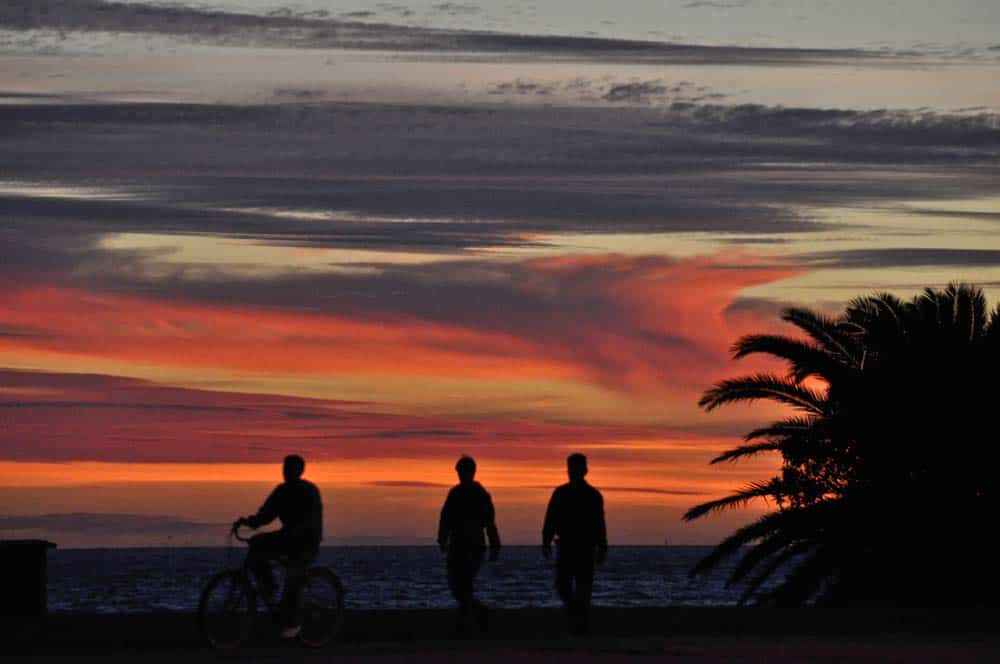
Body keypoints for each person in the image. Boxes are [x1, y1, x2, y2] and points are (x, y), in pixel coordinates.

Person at [234, 454, 322, 638]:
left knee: (293, 577)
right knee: (257, 545)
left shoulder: (309, 491)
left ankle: (294, 621)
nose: (286, 472)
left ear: (299, 471)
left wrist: (295, 532)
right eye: (284, 468)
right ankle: (269, 586)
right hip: (288, 537)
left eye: (290, 469)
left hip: (307, 541)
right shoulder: (281, 491)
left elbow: (311, 521)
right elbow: (265, 515)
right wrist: (248, 522)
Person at [542, 453, 607, 635]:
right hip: (567, 546)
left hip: (584, 547)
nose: (572, 472)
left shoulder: (593, 496)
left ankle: (580, 625)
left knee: (583, 588)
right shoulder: (561, 493)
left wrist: (602, 546)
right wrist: (546, 541)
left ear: (584, 470)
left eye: (575, 468)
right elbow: (551, 519)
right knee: (564, 586)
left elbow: (599, 523)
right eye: (571, 468)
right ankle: (576, 616)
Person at [437, 455, 501, 632]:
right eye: (459, 472)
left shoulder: (480, 494)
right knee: (456, 584)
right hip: (458, 545)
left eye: (463, 472)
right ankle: (476, 613)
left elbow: (489, 521)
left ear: (470, 472)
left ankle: (468, 620)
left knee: (464, 583)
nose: (461, 475)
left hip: (473, 545)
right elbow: (446, 518)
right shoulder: (455, 494)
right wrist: (443, 538)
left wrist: (495, 544)